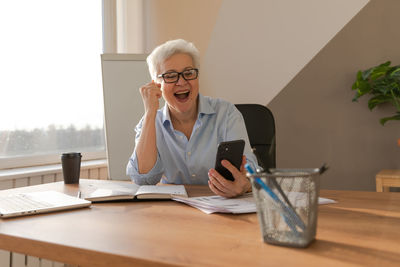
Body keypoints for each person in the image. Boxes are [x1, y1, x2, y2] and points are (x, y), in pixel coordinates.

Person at [126, 39, 258, 198]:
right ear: (157, 84)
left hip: (223, 209)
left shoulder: (226, 113)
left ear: (197, 76)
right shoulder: (150, 122)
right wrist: (150, 112)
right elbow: (144, 179)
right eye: (170, 76)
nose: (181, 82)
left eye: (188, 73)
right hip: (173, 213)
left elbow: (251, 172)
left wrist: (244, 185)